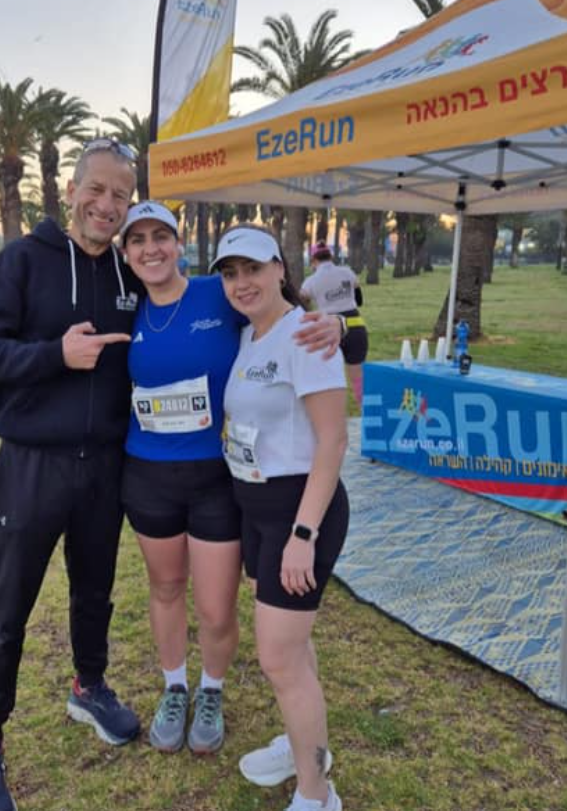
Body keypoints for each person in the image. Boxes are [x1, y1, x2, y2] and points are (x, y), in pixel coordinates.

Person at [0, 139, 144, 811]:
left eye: (121, 195)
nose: (107, 205)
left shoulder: (129, 273)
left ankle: (88, 686)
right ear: (71, 190)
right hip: (31, 466)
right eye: (97, 189)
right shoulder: (23, 262)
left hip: (105, 468)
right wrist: (53, 355)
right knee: (6, 610)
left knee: (94, 593)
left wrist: (320, 324)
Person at [118, 202, 345, 757]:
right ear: (125, 254)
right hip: (146, 474)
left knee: (217, 608)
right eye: (137, 240)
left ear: (179, 244)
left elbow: (292, 321)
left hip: (217, 480)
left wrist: (341, 325)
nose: (151, 249)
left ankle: (212, 692)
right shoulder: (120, 306)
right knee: (165, 588)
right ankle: (175, 688)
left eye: (161, 236)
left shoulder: (217, 295)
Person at [213, 225, 349, 811]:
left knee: (277, 658)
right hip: (255, 506)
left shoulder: (306, 334)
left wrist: (303, 534)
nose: (242, 282)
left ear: (280, 270)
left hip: (300, 513)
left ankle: (317, 794)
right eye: (230, 273)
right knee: (292, 650)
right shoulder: (249, 334)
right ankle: (304, 748)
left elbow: (333, 441)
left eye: (253, 269)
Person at [300, 242, 368, 407]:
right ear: (330, 257)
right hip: (355, 326)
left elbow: (302, 301)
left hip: (328, 329)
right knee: (359, 380)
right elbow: (359, 299)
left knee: (326, 382)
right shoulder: (347, 272)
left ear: (313, 261)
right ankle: (369, 414)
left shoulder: (311, 281)